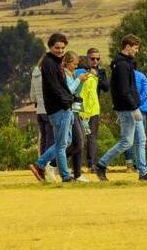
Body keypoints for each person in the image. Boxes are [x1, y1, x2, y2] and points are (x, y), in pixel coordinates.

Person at [95, 34, 147, 182]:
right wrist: (134, 108)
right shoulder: (123, 65)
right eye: (136, 48)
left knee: (141, 140)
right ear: (128, 47)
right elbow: (124, 91)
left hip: (131, 107)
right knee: (126, 142)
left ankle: (143, 172)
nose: (137, 51)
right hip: (127, 109)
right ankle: (101, 165)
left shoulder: (125, 63)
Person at [29, 33, 75, 183]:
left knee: (65, 141)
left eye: (62, 48)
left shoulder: (54, 62)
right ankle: (64, 175)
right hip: (59, 108)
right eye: (57, 47)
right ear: (50, 47)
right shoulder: (49, 64)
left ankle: (41, 164)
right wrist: (67, 101)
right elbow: (55, 88)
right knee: (62, 144)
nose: (60, 50)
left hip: (60, 107)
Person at [77, 48, 109, 172]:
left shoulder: (101, 72)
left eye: (97, 59)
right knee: (78, 137)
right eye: (92, 58)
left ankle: (92, 164)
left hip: (93, 109)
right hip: (79, 107)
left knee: (92, 137)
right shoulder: (79, 70)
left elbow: (106, 87)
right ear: (87, 58)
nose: (95, 61)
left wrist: (97, 77)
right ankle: (77, 165)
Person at [62, 51, 91, 181]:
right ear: (67, 63)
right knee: (77, 143)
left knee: (79, 143)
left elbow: (76, 92)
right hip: (69, 111)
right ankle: (52, 163)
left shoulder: (72, 74)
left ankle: (77, 173)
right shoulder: (65, 75)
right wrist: (79, 80)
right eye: (74, 64)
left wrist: (81, 81)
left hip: (75, 110)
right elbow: (69, 90)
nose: (76, 66)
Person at [29, 59, 57, 181]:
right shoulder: (48, 74)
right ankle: (45, 166)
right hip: (49, 110)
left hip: (39, 111)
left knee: (44, 141)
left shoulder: (35, 74)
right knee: (52, 141)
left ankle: (41, 164)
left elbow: (32, 96)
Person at [125, 61, 147, 171]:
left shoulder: (124, 77)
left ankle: (129, 164)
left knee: (127, 138)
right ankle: (140, 164)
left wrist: (131, 104)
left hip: (127, 109)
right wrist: (137, 103)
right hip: (142, 110)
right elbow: (146, 92)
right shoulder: (142, 76)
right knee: (140, 139)